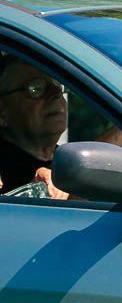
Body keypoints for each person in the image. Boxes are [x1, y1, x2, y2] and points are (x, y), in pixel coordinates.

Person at [0, 55, 68, 199]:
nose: (56, 93)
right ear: (2, 112)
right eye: (36, 88)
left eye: (57, 85)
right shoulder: (6, 172)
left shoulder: (68, 159)